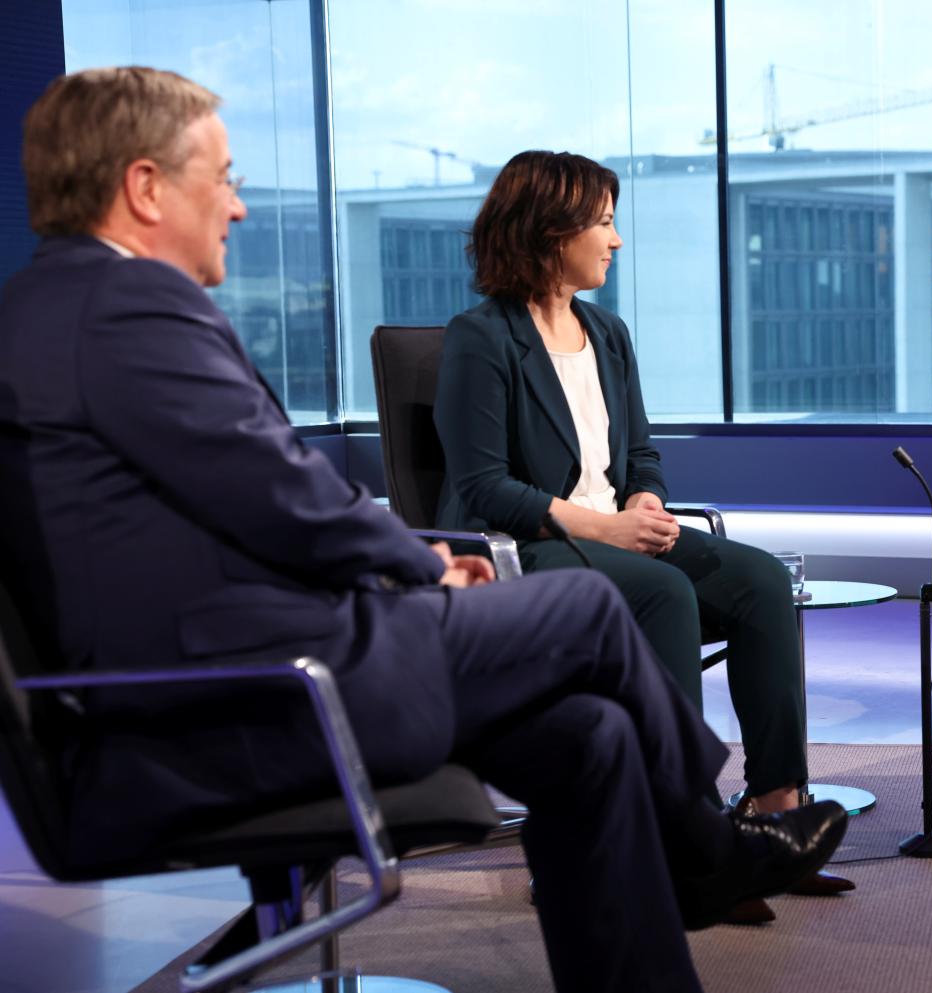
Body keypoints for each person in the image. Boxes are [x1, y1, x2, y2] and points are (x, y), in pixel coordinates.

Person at [0, 66, 847, 993]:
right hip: (246, 696)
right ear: (145, 187)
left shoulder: (54, 310)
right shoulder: (127, 311)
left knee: (592, 736)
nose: (238, 208)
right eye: (226, 177)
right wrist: (422, 567)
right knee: (588, 616)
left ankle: (681, 897)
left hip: (215, 674)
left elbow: (226, 509)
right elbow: (279, 497)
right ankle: (709, 846)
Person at [431, 150, 852, 908]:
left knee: (759, 579)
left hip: (614, 535)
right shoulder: (481, 338)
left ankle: (772, 813)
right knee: (662, 592)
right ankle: (681, 836)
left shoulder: (608, 332)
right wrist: (605, 528)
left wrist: (647, 504)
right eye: (602, 222)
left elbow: (641, 454)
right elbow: (483, 488)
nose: (615, 239)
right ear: (548, 232)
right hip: (530, 551)